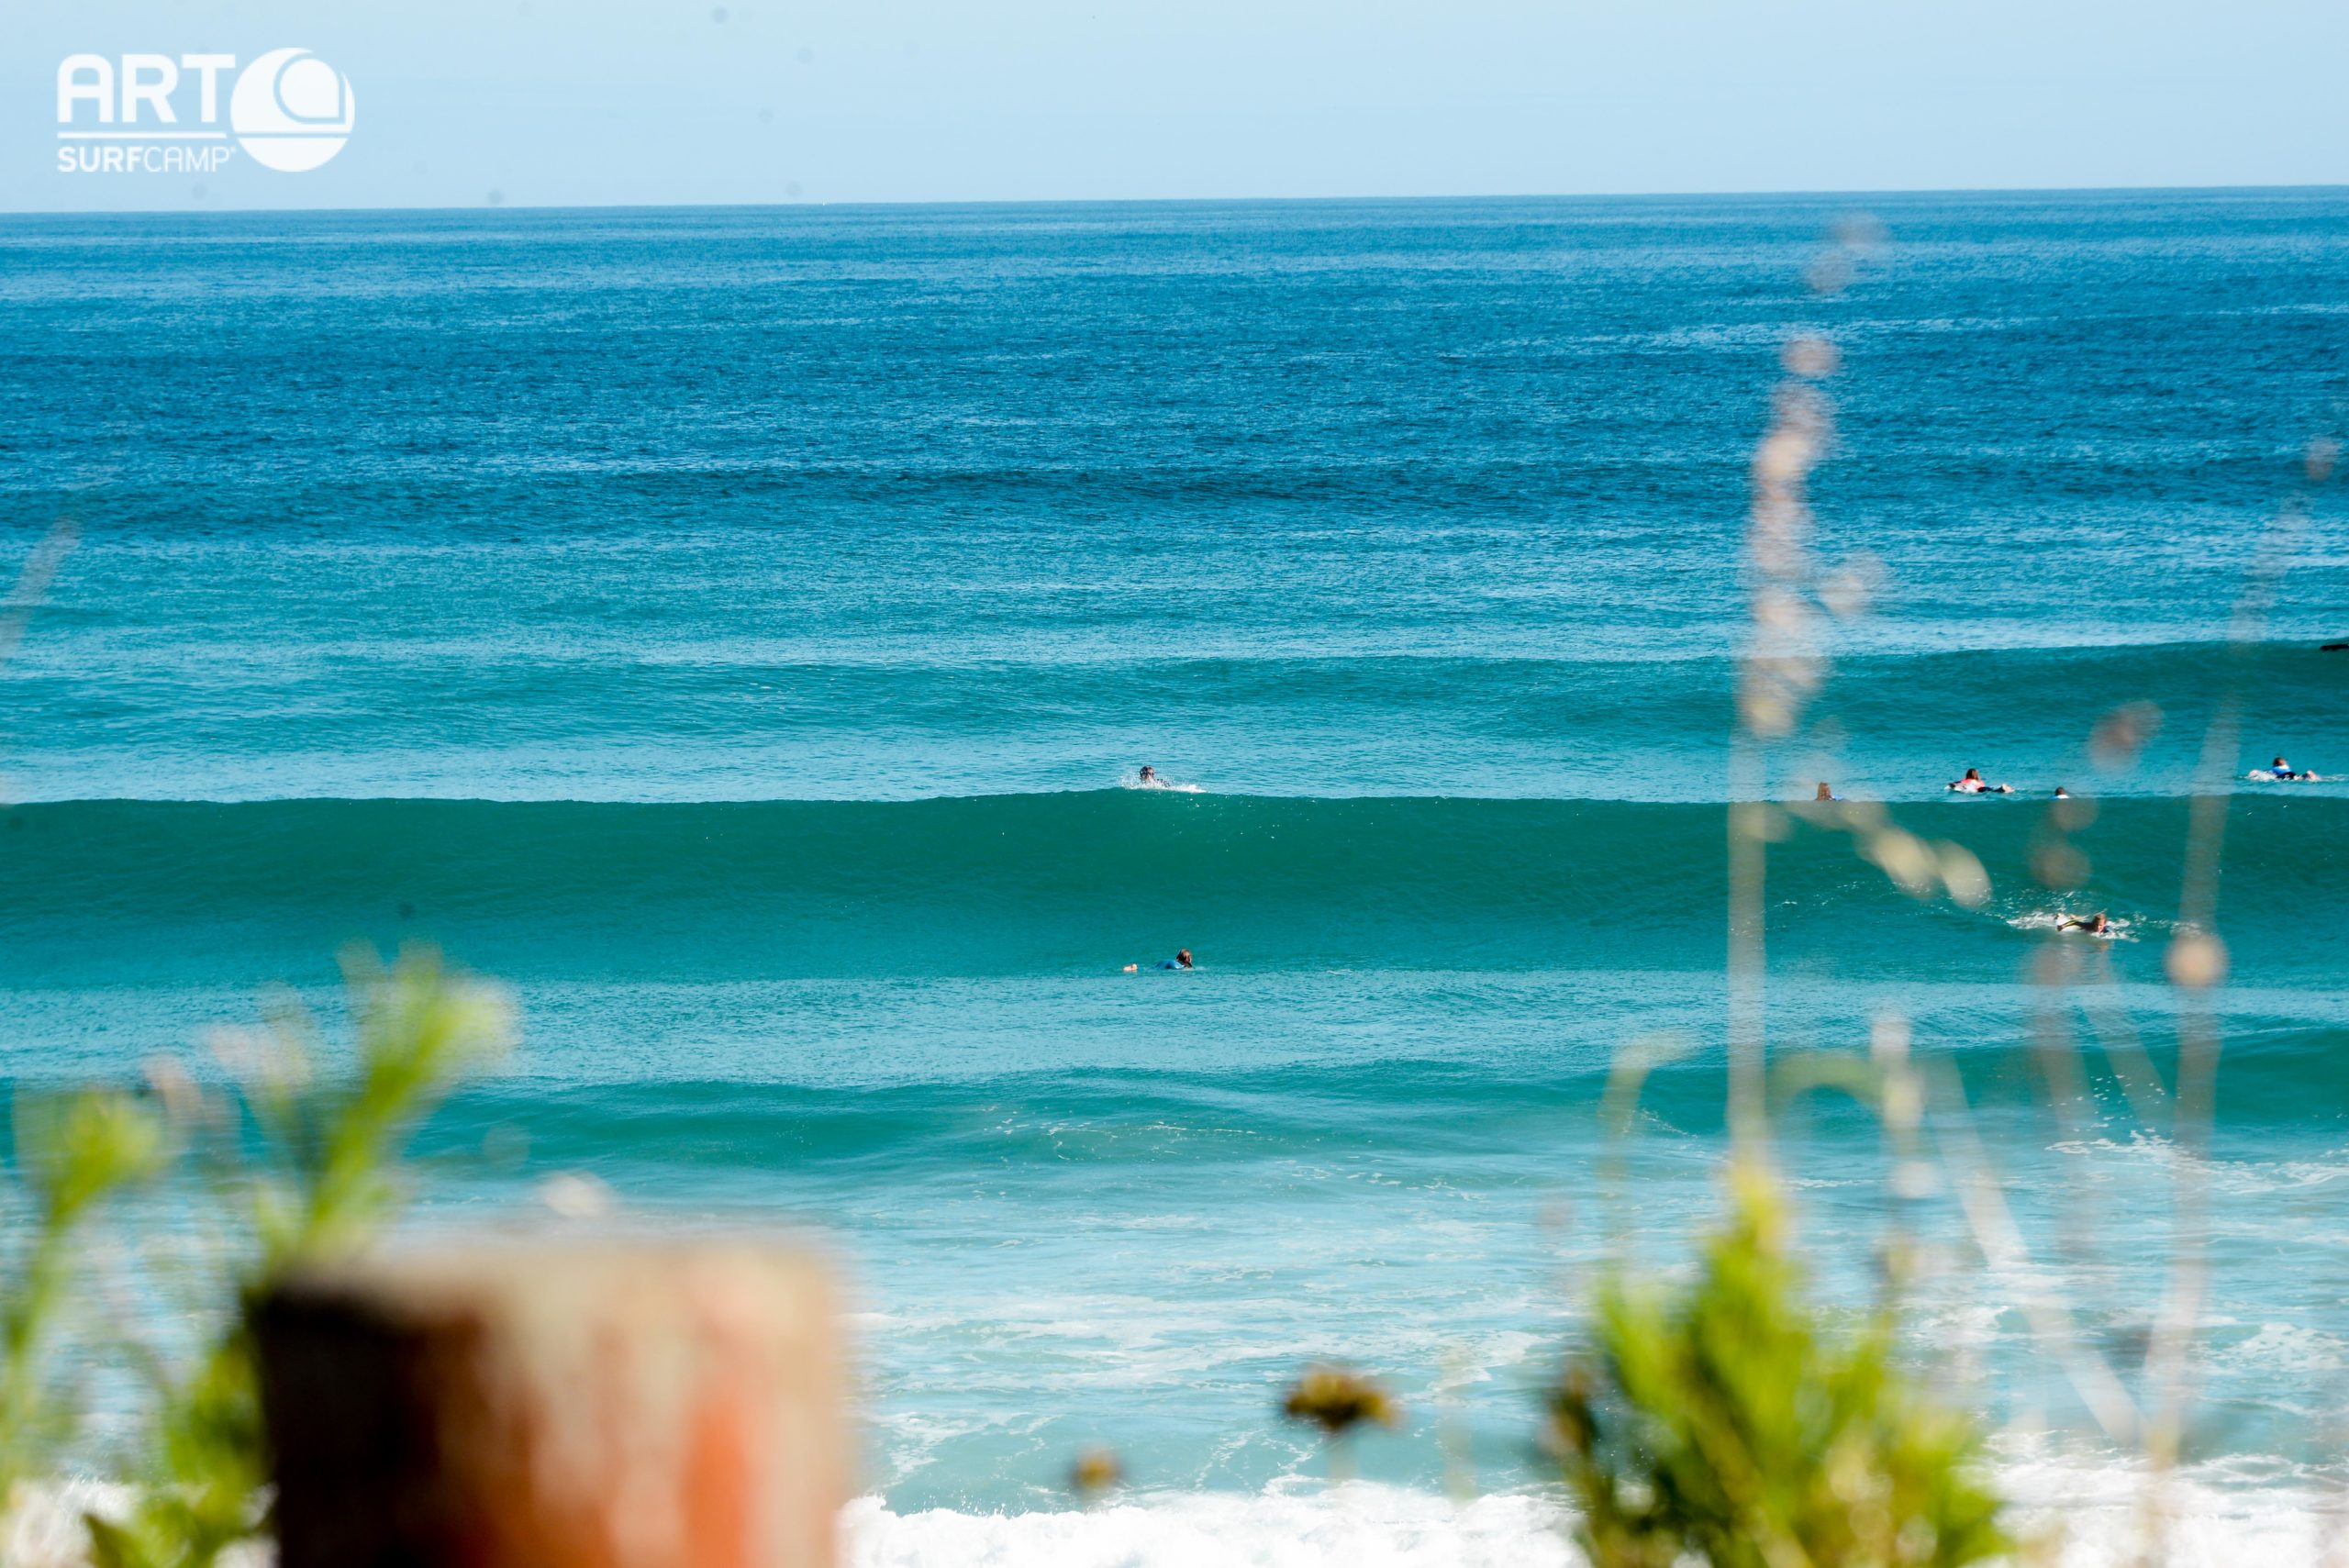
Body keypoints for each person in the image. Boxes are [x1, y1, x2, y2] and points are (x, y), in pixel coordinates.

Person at [1947, 767, 2013, 795]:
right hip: (1985, 788)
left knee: (1994, 792)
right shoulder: (1980, 781)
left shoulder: (1967, 780)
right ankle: (2002, 789)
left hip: (1980, 790)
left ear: (1968, 774)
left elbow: (1958, 783)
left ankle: (2001, 789)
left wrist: (1952, 784)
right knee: (1993, 791)